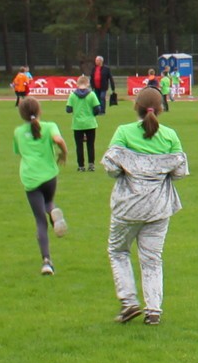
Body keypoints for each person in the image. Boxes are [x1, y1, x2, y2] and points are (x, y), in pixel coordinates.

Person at [101, 87, 187, 325]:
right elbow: (180, 172)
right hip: (158, 207)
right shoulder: (169, 136)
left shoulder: (123, 132)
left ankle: (129, 302)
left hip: (127, 207)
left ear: (136, 107)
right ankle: (153, 309)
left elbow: (111, 167)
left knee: (118, 251)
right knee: (152, 258)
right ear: (160, 109)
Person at [12, 96, 68, 276]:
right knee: (49, 202)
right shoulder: (49, 126)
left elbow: (18, 151)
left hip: (30, 177)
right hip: (49, 175)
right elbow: (58, 139)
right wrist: (64, 153)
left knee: (39, 221)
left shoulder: (18, 132)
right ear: (39, 111)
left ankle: (46, 262)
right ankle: (53, 213)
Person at [64, 74, 105, 171]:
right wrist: (92, 114)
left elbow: (68, 109)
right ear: (87, 84)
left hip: (77, 124)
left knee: (79, 146)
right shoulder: (91, 94)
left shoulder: (73, 95)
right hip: (90, 123)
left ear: (77, 84)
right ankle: (91, 165)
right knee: (90, 145)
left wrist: (76, 109)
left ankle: (81, 166)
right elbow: (97, 108)